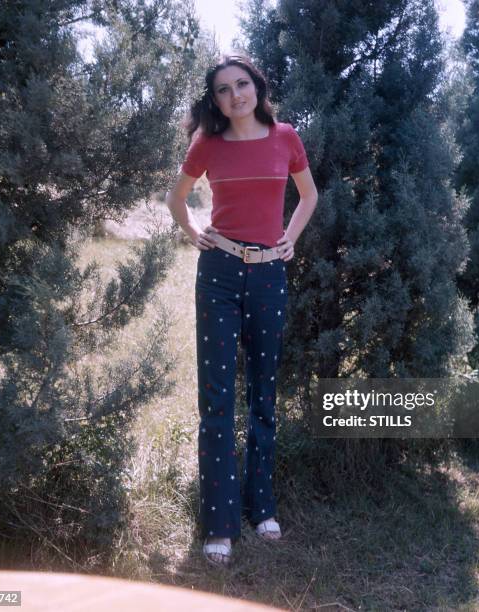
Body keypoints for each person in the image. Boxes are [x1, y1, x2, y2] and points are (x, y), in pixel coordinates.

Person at [165, 54, 318, 566]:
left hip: (270, 274)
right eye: (224, 90)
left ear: (257, 86)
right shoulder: (207, 144)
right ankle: (220, 521)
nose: (236, 95)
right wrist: (194, 234)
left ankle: (262, 506)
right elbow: (177, 198)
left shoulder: (286, 137)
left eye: (242, 84)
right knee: (216, 399)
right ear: (215, 100)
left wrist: (290, 239)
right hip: (220, 273)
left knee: (263, 395)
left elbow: (308, 194)